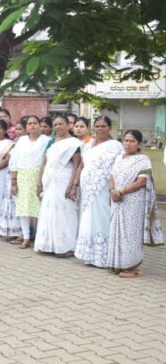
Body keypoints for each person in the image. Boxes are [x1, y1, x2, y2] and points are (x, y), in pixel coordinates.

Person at [75, 116, 123, 268]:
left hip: (102, 189)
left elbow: (117, 169)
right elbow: (82, 165)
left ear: (109, 128)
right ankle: (90, 255)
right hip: (87, 189)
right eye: (97, 126)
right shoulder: (89, 144)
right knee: (88, 219)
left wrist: (113, 189)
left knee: (101, 218)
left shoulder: (115, 146)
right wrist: (75, 184)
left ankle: (104, 256)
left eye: (103, 126)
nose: (100, 129)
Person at [107, 130, 153, 277]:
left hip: (133, 201)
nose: (128, 143)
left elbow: (142, 181)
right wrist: (113, 190)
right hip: (117, 200)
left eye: (132, 141)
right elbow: (112, 176)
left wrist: (122, 192)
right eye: (126, 140)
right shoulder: (119, 158)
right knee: (117, 232)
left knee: (131, 234)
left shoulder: (143, 159)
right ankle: (119, 264)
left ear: (139, 143)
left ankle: (133, 268)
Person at [34, 115, 82, 257]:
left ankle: (66, 246)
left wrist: (72, 185)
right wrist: (39, 183)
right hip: (49, 181)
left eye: (61, 124)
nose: (58, 127)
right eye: (55, 124)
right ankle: (47, 244)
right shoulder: (51, 142)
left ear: (68, 126)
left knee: (66, 212)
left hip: (65, 180)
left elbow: (77, 166)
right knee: (48, 211)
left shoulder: (74, 143)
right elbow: (44, 163)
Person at [10, 116, 50, 248]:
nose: (32, 126)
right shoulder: (21, 141)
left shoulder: (47, 141)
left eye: (35, 123)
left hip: (39, 177)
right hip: (23, 176)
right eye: (30, 124)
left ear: (40, 125)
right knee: (23, 209)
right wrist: (14, 183)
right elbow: (15, 161)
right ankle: (26, 237)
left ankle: (41, 238)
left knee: (40, 208)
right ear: (26, 127)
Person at [0, 118, 27, 241]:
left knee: (18, 204)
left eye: (20, 129)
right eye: (16, 129)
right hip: (10, 175)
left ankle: (20, 233)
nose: (18, 131)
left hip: (20, 175)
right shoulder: (15, 142)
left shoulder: (26, 143)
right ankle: (10, 231)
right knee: (10, 203)